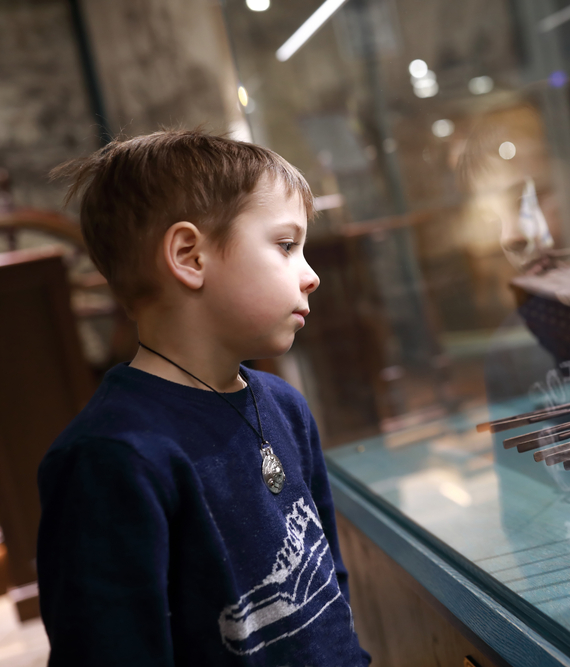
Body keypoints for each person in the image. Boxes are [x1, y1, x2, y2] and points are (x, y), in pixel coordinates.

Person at [37, 130, 371, 666]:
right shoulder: (110, 458)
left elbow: (328, 579)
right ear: (189, 255)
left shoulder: (285, 405)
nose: (311, 276)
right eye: (286, 245)